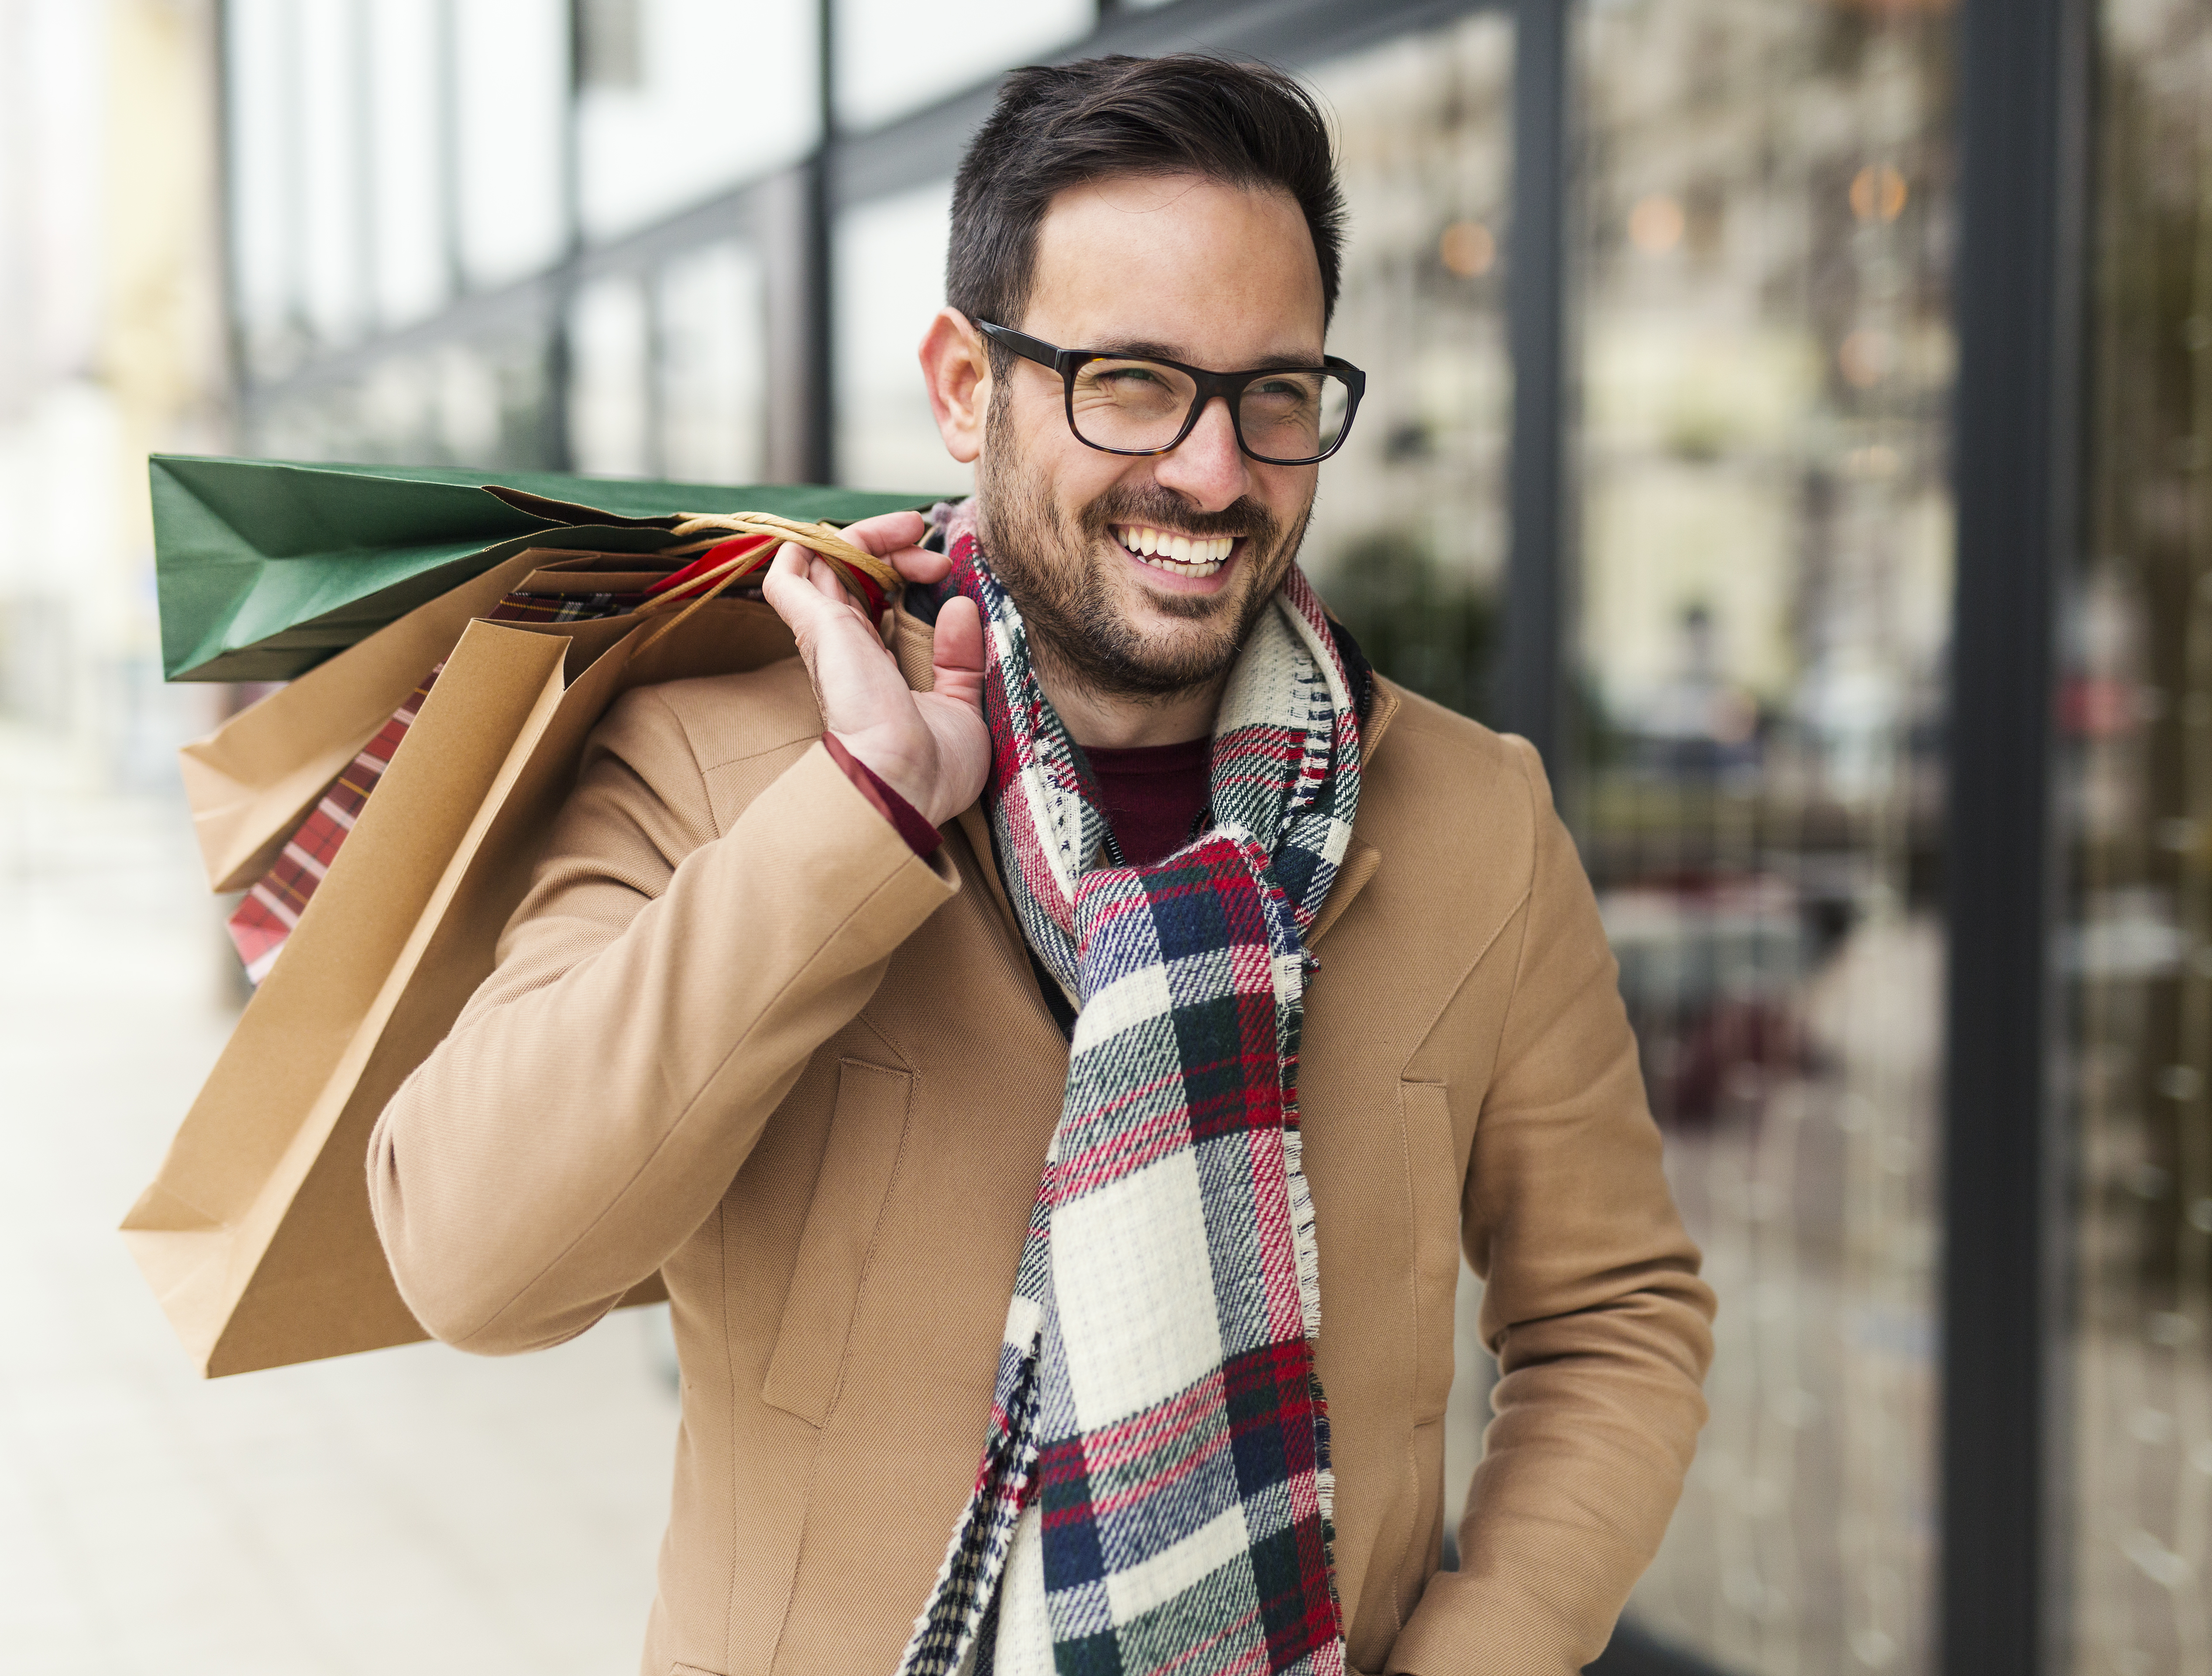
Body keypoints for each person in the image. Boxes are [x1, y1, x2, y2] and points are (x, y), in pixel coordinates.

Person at [371, 52, 1712, 1676]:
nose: (1214, 474)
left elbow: (1613, 1320)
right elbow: (471, 1261)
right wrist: (849, 821)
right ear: (963, 385)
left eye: (1274, 395)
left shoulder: (1475, 817)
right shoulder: (721, 770)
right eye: (1133, 380)